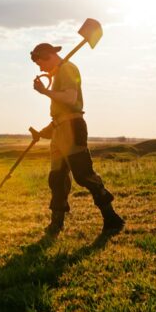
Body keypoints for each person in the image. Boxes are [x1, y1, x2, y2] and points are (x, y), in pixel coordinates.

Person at [30, 42, 124, 235]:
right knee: (56, 179)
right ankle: (56, 224)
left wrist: (44, 92)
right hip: (59, 129)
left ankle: (112, 218)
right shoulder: (58, 73)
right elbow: (61, 110)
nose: (40, 68)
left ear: (47, 55)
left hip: (72, 128)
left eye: (40, 63)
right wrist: (47, 130)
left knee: (83, 175)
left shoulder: (68, 69)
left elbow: (71, 99)